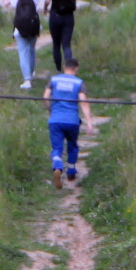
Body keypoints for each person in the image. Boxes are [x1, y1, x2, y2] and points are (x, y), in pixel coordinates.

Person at [43, 57, 94, 189]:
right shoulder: (79, 83)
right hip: (72, 121)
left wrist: (50, 109)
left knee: (57, 148)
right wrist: (89, 122)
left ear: (65, 67)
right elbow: (83, 102)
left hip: (56, 120)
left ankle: (57, 166)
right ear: (76, 68)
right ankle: (71, 171)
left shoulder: (54, 80)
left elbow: (45, 97)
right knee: (72, 145)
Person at [7, 0, 44, 90]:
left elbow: (11, 6)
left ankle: (27, 80)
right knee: (32, 49)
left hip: (20, 28)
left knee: (23, 52)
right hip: (34, 27)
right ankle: (31, 72)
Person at [42, 0, 79, 73]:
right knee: (67, 45)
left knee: (56, 44)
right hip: (68, 16)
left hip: (55, 15)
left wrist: (45, 8)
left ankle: (59, 70)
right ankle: (69, 71)